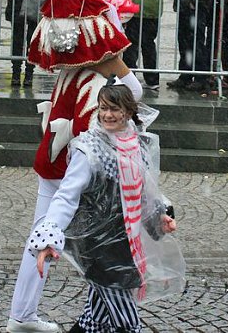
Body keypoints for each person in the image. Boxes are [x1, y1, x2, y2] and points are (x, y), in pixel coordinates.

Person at [8, 0, 141, 333]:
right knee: (73, 221)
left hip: (79, 90)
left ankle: (26, 314)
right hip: (80, 101)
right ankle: (57, 313)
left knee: (57, 220)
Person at [29, 83, 181, 333]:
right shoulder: (89, 148)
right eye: (103, 108)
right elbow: (67, 195)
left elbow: (143, 190)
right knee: (128, 324)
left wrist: (158, 216)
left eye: (114, 109)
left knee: (95, 319)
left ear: (128, 112)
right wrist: (49, 234)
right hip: (99, 248)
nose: (107, 115)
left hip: (125, 244)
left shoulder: (137, 144)